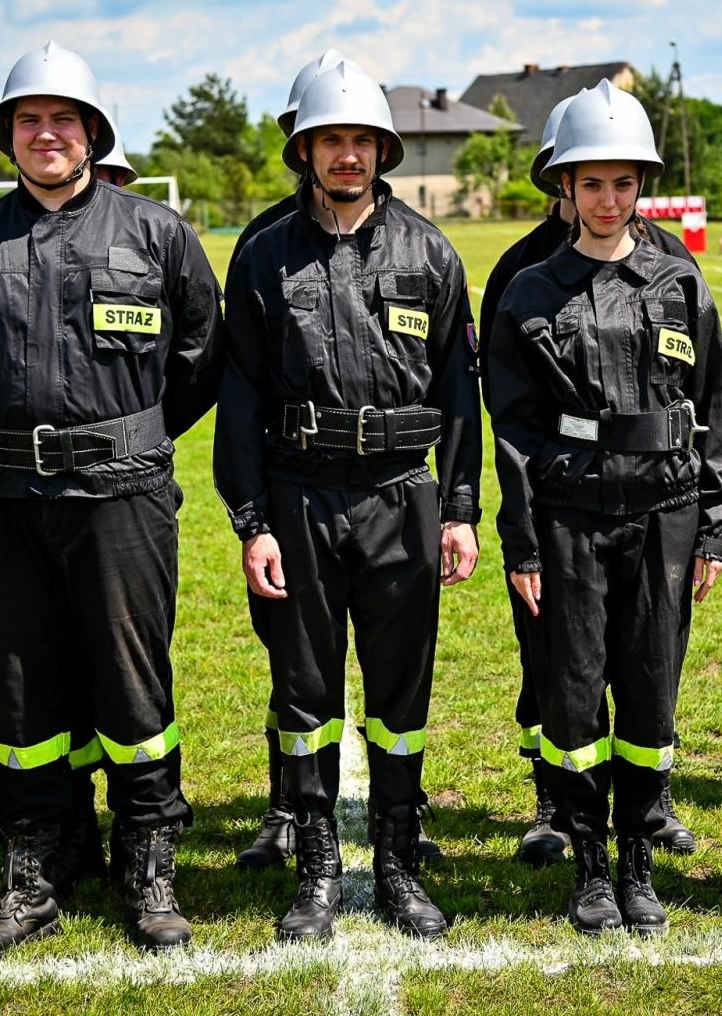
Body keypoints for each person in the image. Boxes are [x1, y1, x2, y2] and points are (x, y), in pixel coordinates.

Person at [0, 40, 224, 957]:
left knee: (134, 687)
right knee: (22, 689)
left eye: (62, 119)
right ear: (7, 137)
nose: (45, 134)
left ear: (93, 131)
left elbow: (201, 360)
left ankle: (149, 863)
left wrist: (119, 434)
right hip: (9, 497)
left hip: (123, 495)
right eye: (28, 120)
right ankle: (34, 870)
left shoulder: (155, 233)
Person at [215, 63, 482, 942]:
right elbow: (242, 398)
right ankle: (319, 865)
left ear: (382, 150)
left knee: (401, 692)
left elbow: (458, 391)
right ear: (306, 149)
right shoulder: (264, 253)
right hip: (299, 495)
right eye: (332, 140)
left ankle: (400, 862)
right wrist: (252, 522)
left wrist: (459, 509)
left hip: (402, 495)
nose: (348, 155)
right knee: (305, 690)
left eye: (362, 140)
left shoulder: (428, 251)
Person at [488, 81, 722, 937]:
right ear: (563, 188)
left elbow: (715, 406)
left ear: (643, 187)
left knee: (650, 696)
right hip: (570, 517)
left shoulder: (678, 282)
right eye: (589, 183)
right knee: (571, 699)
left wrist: (715, 521)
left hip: (665, 517)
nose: (607, 199)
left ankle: (638, 861)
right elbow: (513, 429)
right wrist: (522, 542)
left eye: (622, 183)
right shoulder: (528, 292)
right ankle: (591, 865)